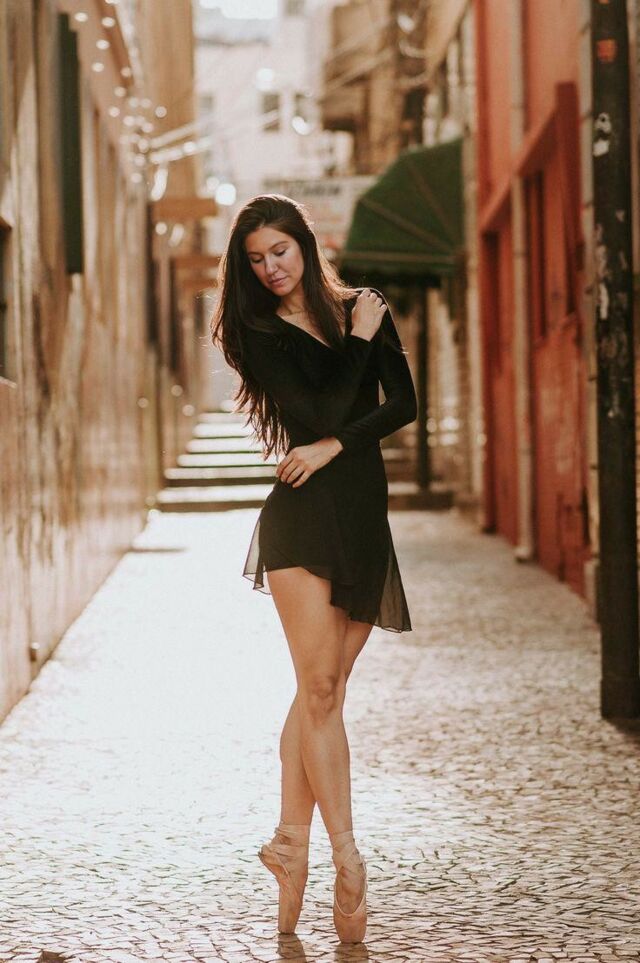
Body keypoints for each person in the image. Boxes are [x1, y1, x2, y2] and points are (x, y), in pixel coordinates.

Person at [210, 193, 417, 944]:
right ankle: (347, 858)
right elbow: (322, 408)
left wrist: (334, 445)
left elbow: (404, 405)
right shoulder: (258, 332)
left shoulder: (364, 307)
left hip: (360, 516)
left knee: (319, 692)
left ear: (305, 243)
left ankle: (289, 842)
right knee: (322, 689)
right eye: (256, 259)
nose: (270, 268)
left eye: (280, 251)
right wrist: (353, 355)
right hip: (299, 520)